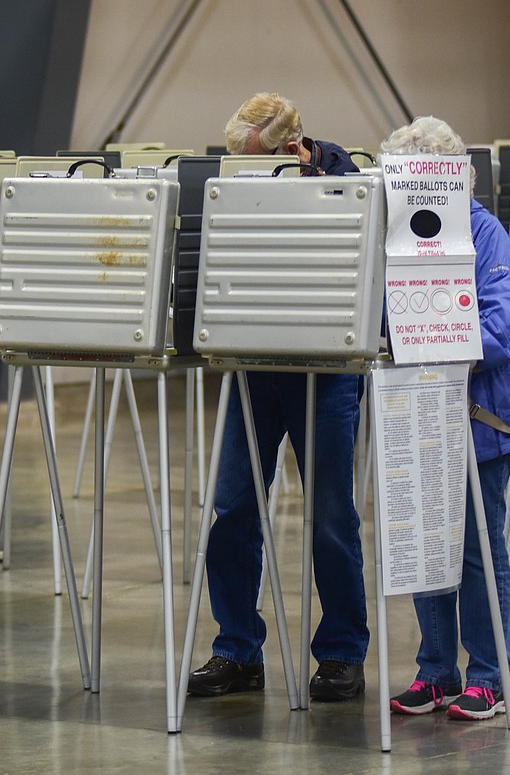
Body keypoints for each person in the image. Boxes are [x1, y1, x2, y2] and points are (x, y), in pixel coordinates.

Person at [188, 92, 369, 702]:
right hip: (253, 369)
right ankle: (237, 650)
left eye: (255, 162)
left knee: (331, 517)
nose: (244, 175)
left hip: (326, 373)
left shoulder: (346, 182)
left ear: (293, 150)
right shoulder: (235, 184)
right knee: (233, 508)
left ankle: (342, 652)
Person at [381, 116, 510, 721]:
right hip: (414, 414)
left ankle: (489, 676)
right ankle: (436, 671)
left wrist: (440, 344)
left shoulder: (483, 231)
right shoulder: (393, 238)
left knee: (475, 548)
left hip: (477, 417)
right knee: (422, 546)